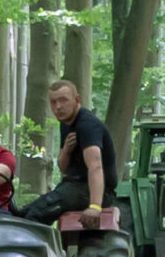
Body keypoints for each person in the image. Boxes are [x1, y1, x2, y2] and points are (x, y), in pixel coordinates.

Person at [18, 78, 113, 222]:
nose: (58, 107)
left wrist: (94, 207)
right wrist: (66, 150)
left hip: (93, 191)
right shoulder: (66, 123)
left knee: (35, 215)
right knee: (22, 214)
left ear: (77, 100)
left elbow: (95, 167)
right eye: (53, 102)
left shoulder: (87, 125)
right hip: (72, 186)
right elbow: (63, 168)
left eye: (63, 100)